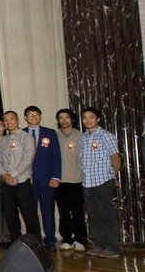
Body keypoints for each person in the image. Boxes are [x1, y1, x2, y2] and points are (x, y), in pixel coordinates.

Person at [79, 107, 121, 258]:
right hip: (87, 183)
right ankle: (100, 245)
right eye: (84, 117)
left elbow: (116, 157)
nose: (87, 120)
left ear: (98, 119)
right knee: (94, 216)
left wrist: (112, 176)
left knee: (107, 216)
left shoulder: (105, 136)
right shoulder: (83, 138)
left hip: (103, 181)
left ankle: (112, 248)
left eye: (91, 117)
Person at [22, 106, 61, 251]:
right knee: (30, 212)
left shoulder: (50, 133)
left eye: (36, 114)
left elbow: (56, 156)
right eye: (30, 114)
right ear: (25, 117)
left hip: (46, 179)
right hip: (27, 180)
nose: (33, 117)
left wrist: (56, 176)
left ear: (40, 116)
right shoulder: (21, 133)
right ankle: (33, 240)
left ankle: (50, 239)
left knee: (48, 210)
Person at [0, 111, 41, 243]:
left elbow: (27, 159)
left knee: (29, 215)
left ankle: (35, 242)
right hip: (6, 183)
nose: (9, 122)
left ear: (17, 121)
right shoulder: (4, 140)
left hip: (22, 182)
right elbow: (0, 161)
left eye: (11, 119)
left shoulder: (26, 137)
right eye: (6, 120)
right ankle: (16, 241)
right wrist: (4, 175)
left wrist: (13, 175)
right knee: (11, 215)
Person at [55, 109, 87, 252]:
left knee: (78, 212)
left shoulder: (81, 137)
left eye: (67, 118)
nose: (64, 121)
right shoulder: (54, 137)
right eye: (61, 118)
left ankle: (80, 239)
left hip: (77, 180)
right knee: (63, 212)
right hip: (60, 181)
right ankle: (66, 239)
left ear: (72, 120)